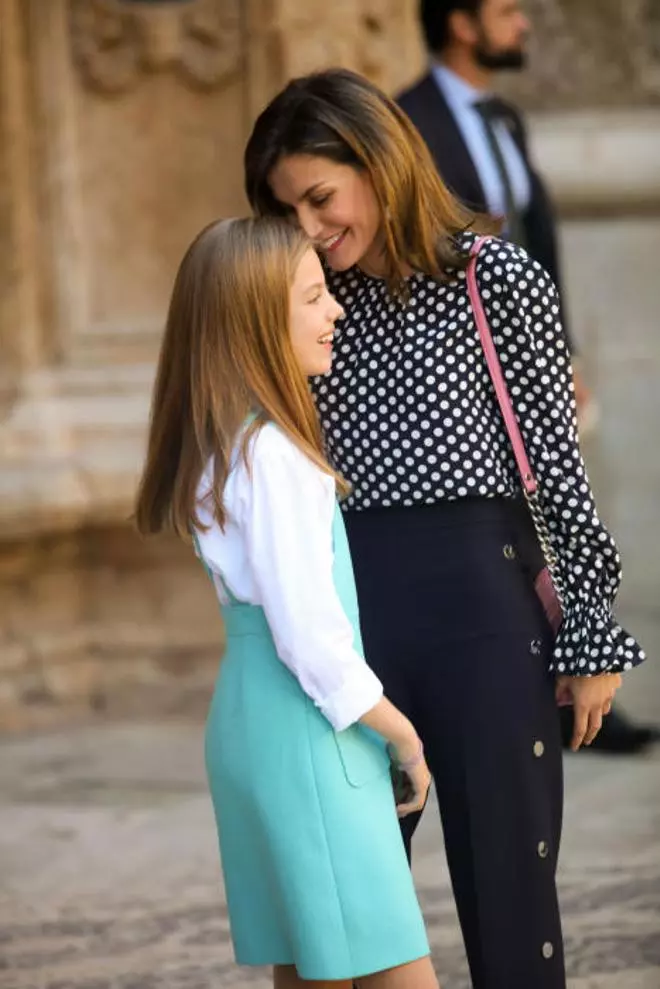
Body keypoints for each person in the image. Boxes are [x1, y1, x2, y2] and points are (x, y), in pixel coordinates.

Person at [244, 68, 646, 989]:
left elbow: (556, 465)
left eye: (320, 196)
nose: (308, 225)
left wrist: (589, 630)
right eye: (286, 209)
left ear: (379, 164)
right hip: (350, 633)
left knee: (511, 912)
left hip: (485, 621)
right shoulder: (296, 299)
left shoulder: (494, 277)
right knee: (339, 918)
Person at [133, 216, 440, 989]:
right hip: (310, 735)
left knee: (311, 965)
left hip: (253, 726)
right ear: (256, 321)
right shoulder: (274, 456)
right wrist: (403, 735)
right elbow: (309, 639)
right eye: (313, 297)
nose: (336, 310)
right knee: (393, 966)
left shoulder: (225, 447)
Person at [398, 0, 658, 756]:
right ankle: (530, 690)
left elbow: (539, 247)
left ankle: (587, 679)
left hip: (537, 361)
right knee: (509, 533)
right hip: (465, 380)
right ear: (461, 23)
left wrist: (563, 354)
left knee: (570, 510)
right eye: (508, 10)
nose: (526, 24)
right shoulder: (407, 122)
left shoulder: (507, 118)